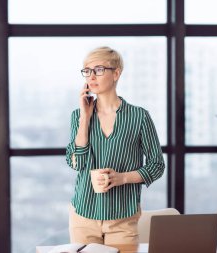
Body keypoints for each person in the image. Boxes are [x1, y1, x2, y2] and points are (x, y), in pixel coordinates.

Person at [65, 46, 165, 245]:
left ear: (116, 73)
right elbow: (75, 163)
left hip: (123, 219)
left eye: (99, 70)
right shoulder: (78, 116)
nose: (91, 77)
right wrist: (85, 118)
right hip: (83, 215)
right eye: (87, 71)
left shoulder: (139, 116)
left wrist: (123, 178)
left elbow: (157, 165)